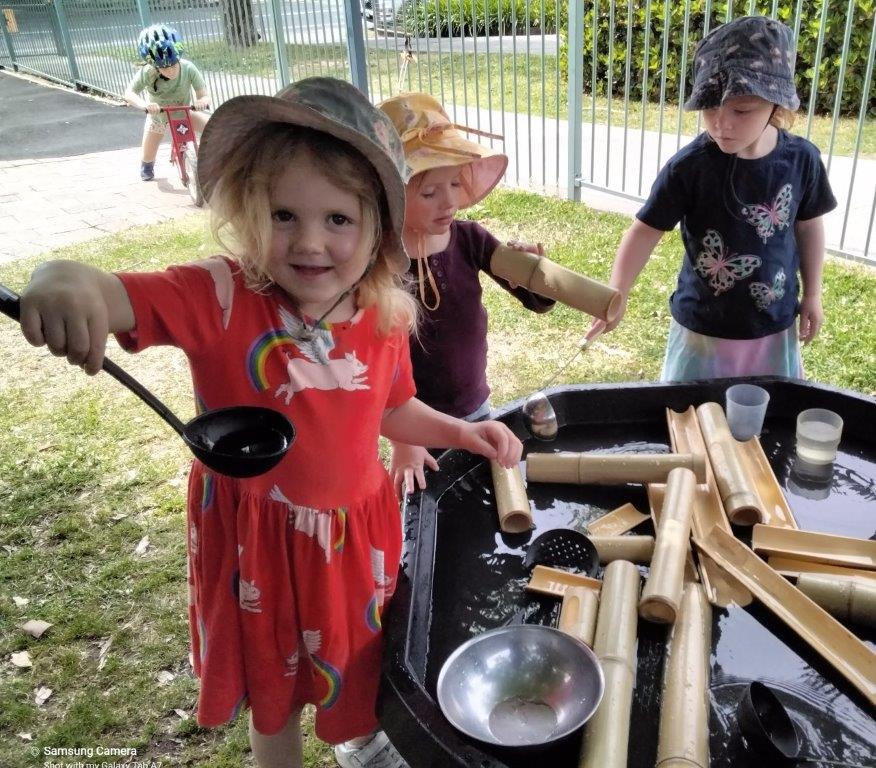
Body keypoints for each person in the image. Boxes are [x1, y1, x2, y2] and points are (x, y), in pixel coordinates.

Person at [17, 77, 522, 768]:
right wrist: (62, 277)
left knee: (357, 664)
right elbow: (111, 292)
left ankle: (358, 738)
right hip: (255, 545)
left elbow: (390, 409)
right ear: (250, 211)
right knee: (271, 694)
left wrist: (463, 433)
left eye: (338, 219)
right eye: (284, 214)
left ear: (380, 225)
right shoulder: (221, 295)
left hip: (352, 542)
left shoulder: (383, 313)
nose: (310, 242)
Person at [588, 15, 837, 382]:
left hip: (773, 326)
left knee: (768, 410)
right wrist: (617, 292)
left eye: (741, 110)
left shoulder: (802, 159)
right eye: (709, 107)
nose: (722, 123)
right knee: (689, 411)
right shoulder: (690, 167)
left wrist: (813, 293)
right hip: (702, 330)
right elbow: (643, 232)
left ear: (776, 105)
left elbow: (809, 226)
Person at [378, 93, 555, 494]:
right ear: (391, 192)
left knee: (478, 496)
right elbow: (376, 361)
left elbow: (537, 300)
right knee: (425, 509)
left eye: (456, 184)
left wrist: (534, 272)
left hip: (476, 408)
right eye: (429, 192)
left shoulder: (471, 239)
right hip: (414, 425)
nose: (450, 201)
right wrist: (404, 442)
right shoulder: (378, 263)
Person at [124, 23, 211, 181]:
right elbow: (129, 93)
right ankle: (147, 165)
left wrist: (201, 101)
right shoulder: (147, 73)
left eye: (173, 65)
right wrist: (145, 105)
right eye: (164, 68)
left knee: (214, 127)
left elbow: (204, 95)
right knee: (148, 157)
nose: (170, 70)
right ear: (155, 66)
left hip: (183, 113)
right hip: (158, 117)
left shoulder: (188, 68)